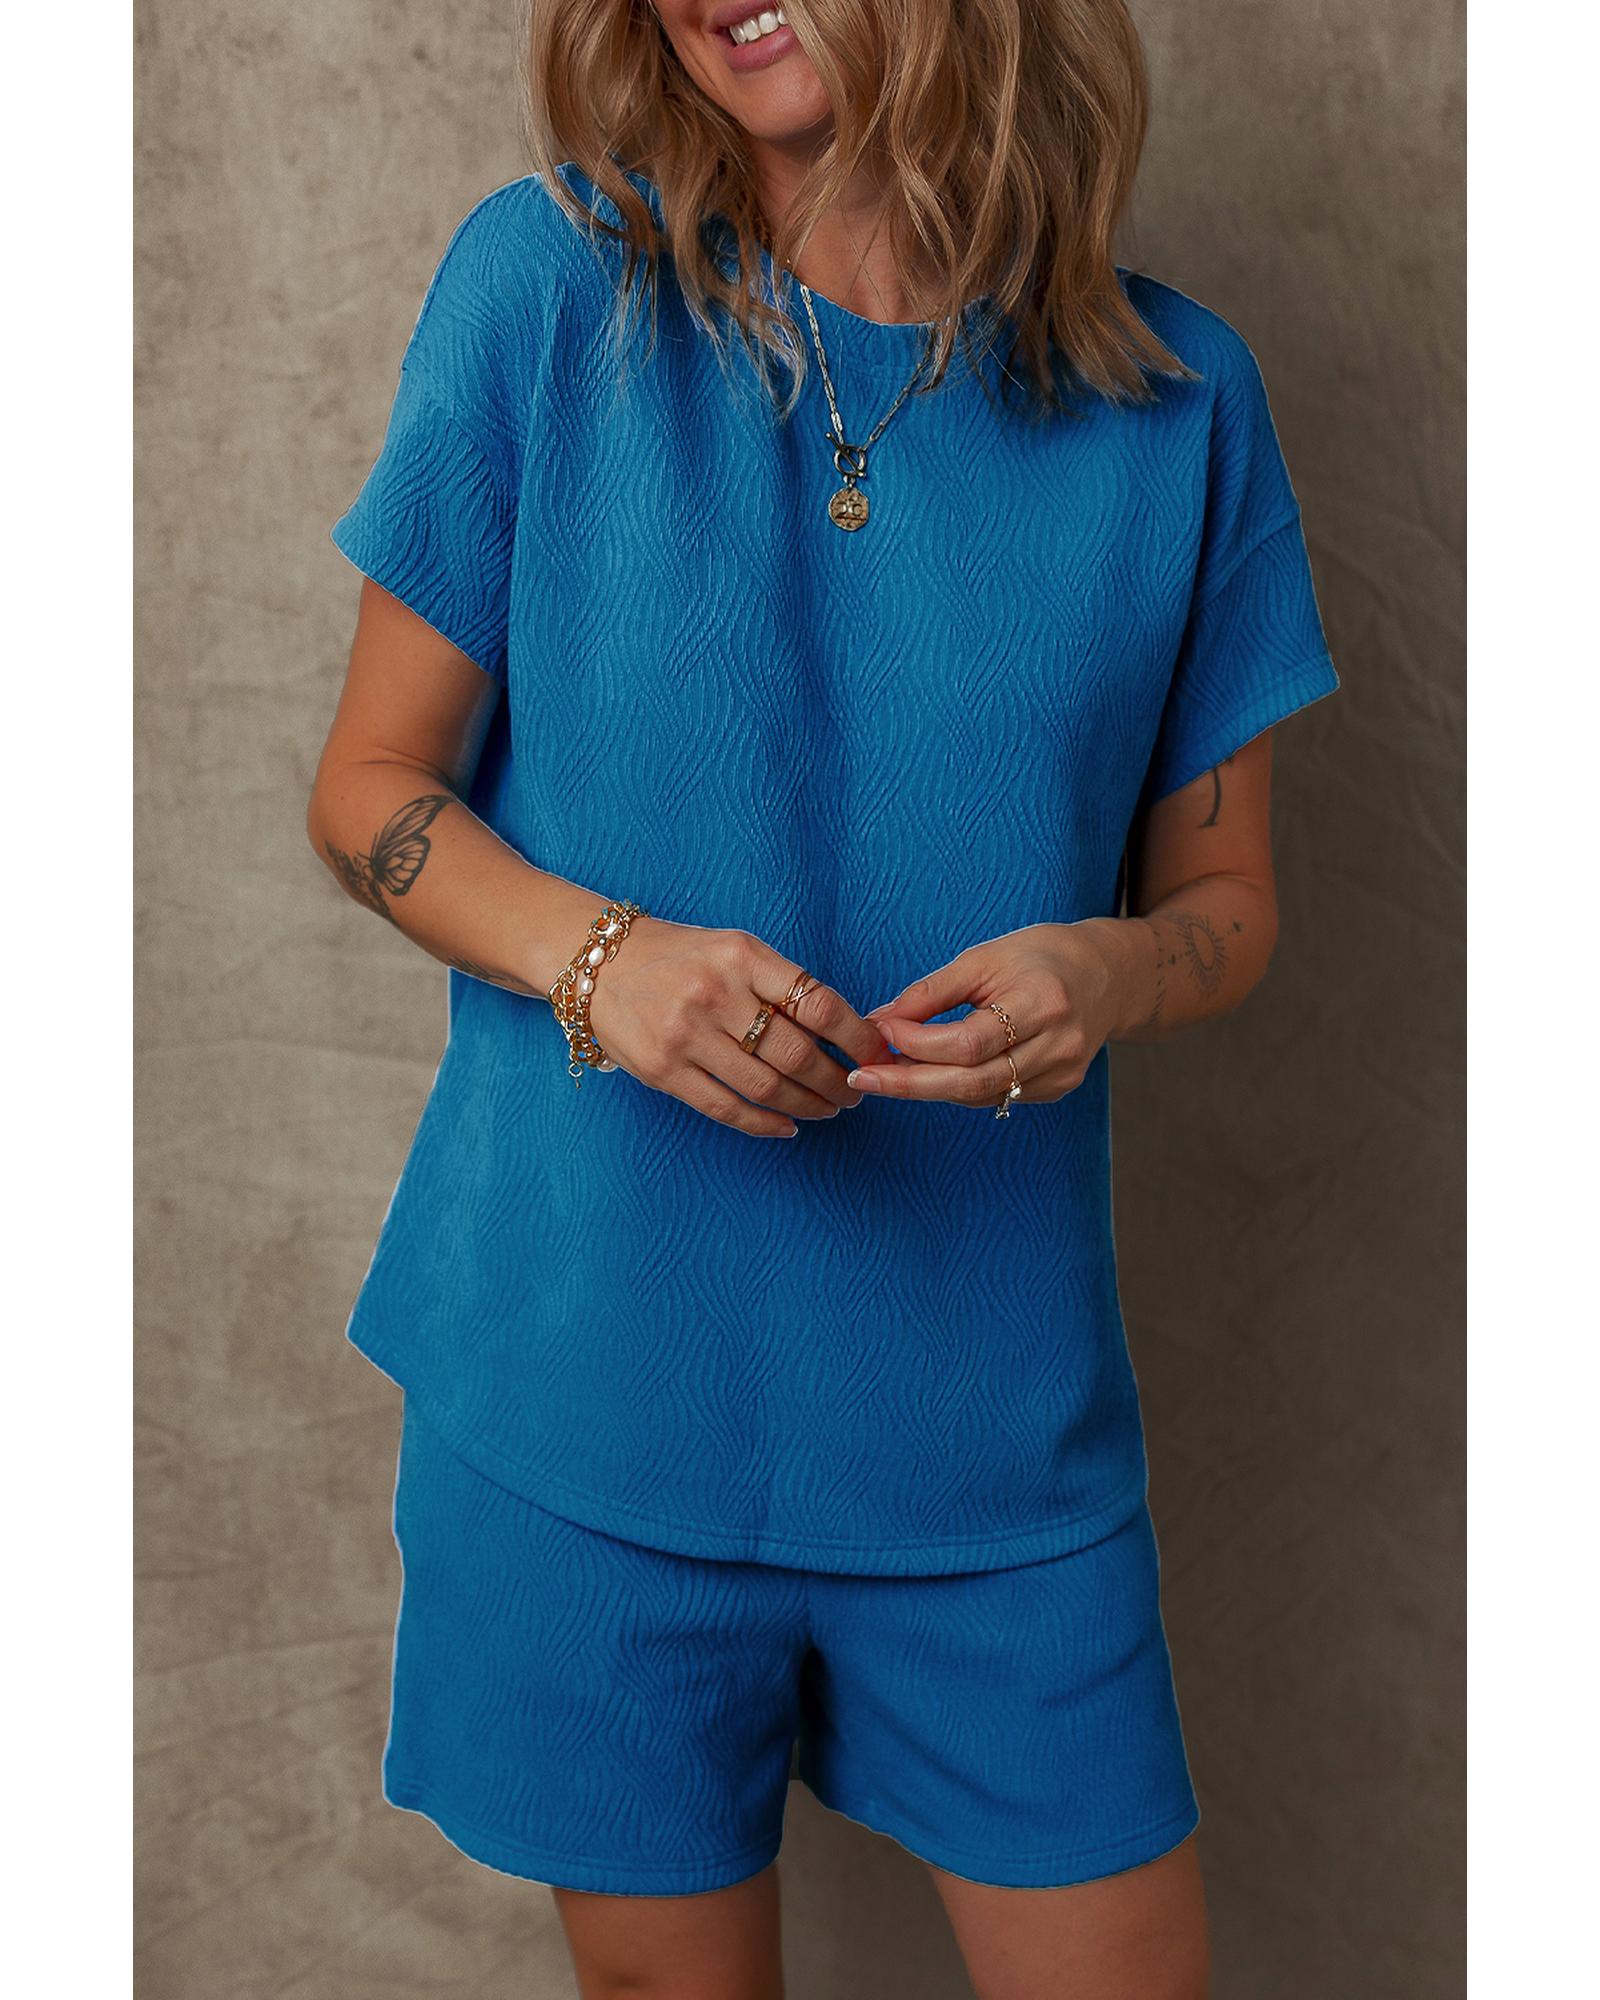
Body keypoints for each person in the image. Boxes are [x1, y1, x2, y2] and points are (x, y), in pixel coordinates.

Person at [307, 3, 1340, 1994]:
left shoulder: (1177, 403)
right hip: (589, 1386)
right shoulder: (546, 291)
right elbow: (369, 790)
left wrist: (1104, 968)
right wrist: (601, 965)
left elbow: (1225, 904)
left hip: (986, 1423)